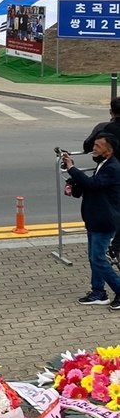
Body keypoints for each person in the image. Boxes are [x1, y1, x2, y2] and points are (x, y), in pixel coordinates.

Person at [62, 135, 120, 310]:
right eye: (94, 145)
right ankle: (98, 293)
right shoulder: (103, 165)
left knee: (98, 258)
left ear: (108, 151)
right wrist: (73, 179)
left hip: (104, 221)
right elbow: (90, 186)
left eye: (98, 146)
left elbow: (93, 184)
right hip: (94, 219)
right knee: (93, 258)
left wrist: (72, 168)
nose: (93, 148)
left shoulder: (112, 168)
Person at [83, 98, 120, 265]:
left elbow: (88, 146)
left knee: (112, 212)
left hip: (110, 179)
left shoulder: (105, 128)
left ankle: (113, 248)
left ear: (111, 112)